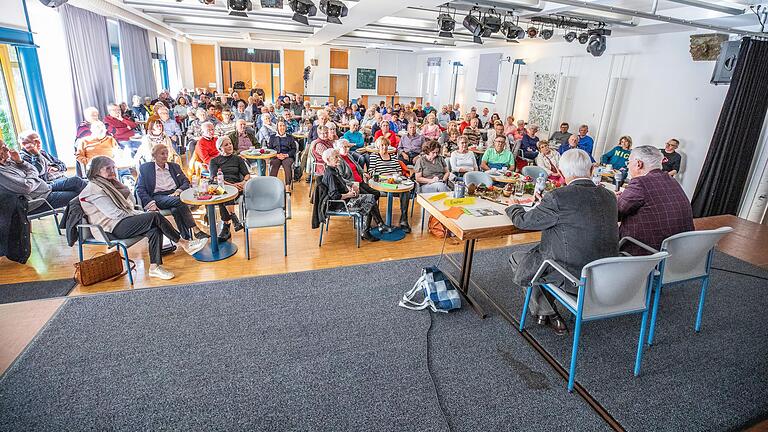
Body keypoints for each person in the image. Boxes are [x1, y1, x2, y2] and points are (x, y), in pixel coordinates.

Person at [506, 149, 619, 334]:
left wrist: (514, 207)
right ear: (591, 169)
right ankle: (546, 313)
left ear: (562, 171)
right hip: (606, 273)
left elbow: (523, 222)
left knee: (518, 259)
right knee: (540, 259)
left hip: (574, 275)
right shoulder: (609, 196)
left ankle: (547, 312)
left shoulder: (558, 197)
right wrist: (546, 205)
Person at [79, 156, 207, 279]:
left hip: (120, 222)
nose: (112, 171)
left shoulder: (109, 185)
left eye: (113, 168)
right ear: (96, 171)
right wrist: (141, 214)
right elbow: (115, 214)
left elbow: (131, 204)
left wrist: (123, 189)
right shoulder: (94, 190)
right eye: (108, 168)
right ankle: (184, 243)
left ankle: (154, 268)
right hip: (109, 229)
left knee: (154, 229)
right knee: (154, 217)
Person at [618, 146, 694, 255]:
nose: (628, 166)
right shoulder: (671, 180)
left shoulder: (640, 182)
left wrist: (612, 199)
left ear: (639, 164)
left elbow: (616, 212)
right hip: (678, 252)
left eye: (628, 162)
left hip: (647, 252)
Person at [136, 145, 208, 240]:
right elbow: (140, 188)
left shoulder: (174, 167)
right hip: (158, 196)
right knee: (180, 201)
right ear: (154, 156)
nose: (165, 156)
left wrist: (178, 190)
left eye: (166, 153)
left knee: (176, 209)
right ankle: (195, 229)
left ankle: (186, 238)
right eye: (162, 154)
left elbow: (186, 181)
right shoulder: (146, 168)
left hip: (174, 194)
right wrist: (150, 203)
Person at [0, 138, 84, 215]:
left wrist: (20, 162)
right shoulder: (2, 173)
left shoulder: (11, 161)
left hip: (45, 188)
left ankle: (92, 219)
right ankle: (82, 227)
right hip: (37, 200)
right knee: (80, 196)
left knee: (76, 181)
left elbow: (34, 170)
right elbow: (27, 187)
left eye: (6, 146)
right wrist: (32, 175)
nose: (7, 149)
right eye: (3, 147)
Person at [321, 148, 383, 242]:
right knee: (370, 200)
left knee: (371, 197)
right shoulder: (330, 174)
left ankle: (372, 226)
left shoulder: (333, 170)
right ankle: (367, 230)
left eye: (338, 156)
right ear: (328, 160)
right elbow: (335, 196)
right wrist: (349, 195)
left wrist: (349, 189)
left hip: (344, 199)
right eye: (336, 157)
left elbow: (340, 185)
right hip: (340, 204)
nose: (339, 159)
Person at [208, 136, 249, 242]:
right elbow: (215, 177)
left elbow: (247, 174)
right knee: (223, 192)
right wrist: (231, 185)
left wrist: (243, 182)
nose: (230, 146)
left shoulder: (238, 159)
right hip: (222, 186)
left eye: (230, 143)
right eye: (226, 145)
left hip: (237, 187)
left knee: (225, 195)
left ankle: (226, 226)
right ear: (220, 148)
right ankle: (233, 217)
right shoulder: (214, 161)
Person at [368, 137, 410, 231]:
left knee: (406, 192)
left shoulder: (394, 156)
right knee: (373, 194)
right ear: (378, 146)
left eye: (386, 145)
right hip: (381, 185)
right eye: (382, 145)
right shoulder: (374, 156)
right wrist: (384, 175)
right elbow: (371, 172)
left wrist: (394, 176)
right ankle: (378, 221)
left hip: (394, 182)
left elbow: (399, 171)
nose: (384, 147)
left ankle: (404, 219)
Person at [267, 121, 298, 191]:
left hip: (287, 156)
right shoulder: (272, 137)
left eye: (283, 125)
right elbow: (270, 149)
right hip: (276, 156)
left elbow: (294, 149)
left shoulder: (290, 137)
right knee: (275, 164)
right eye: (280, 126)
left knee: (287, 165)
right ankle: (271, 185)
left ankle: (287, 185)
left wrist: (287, 155)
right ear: (277, 127)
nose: (282, 127)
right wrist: (276, 155)